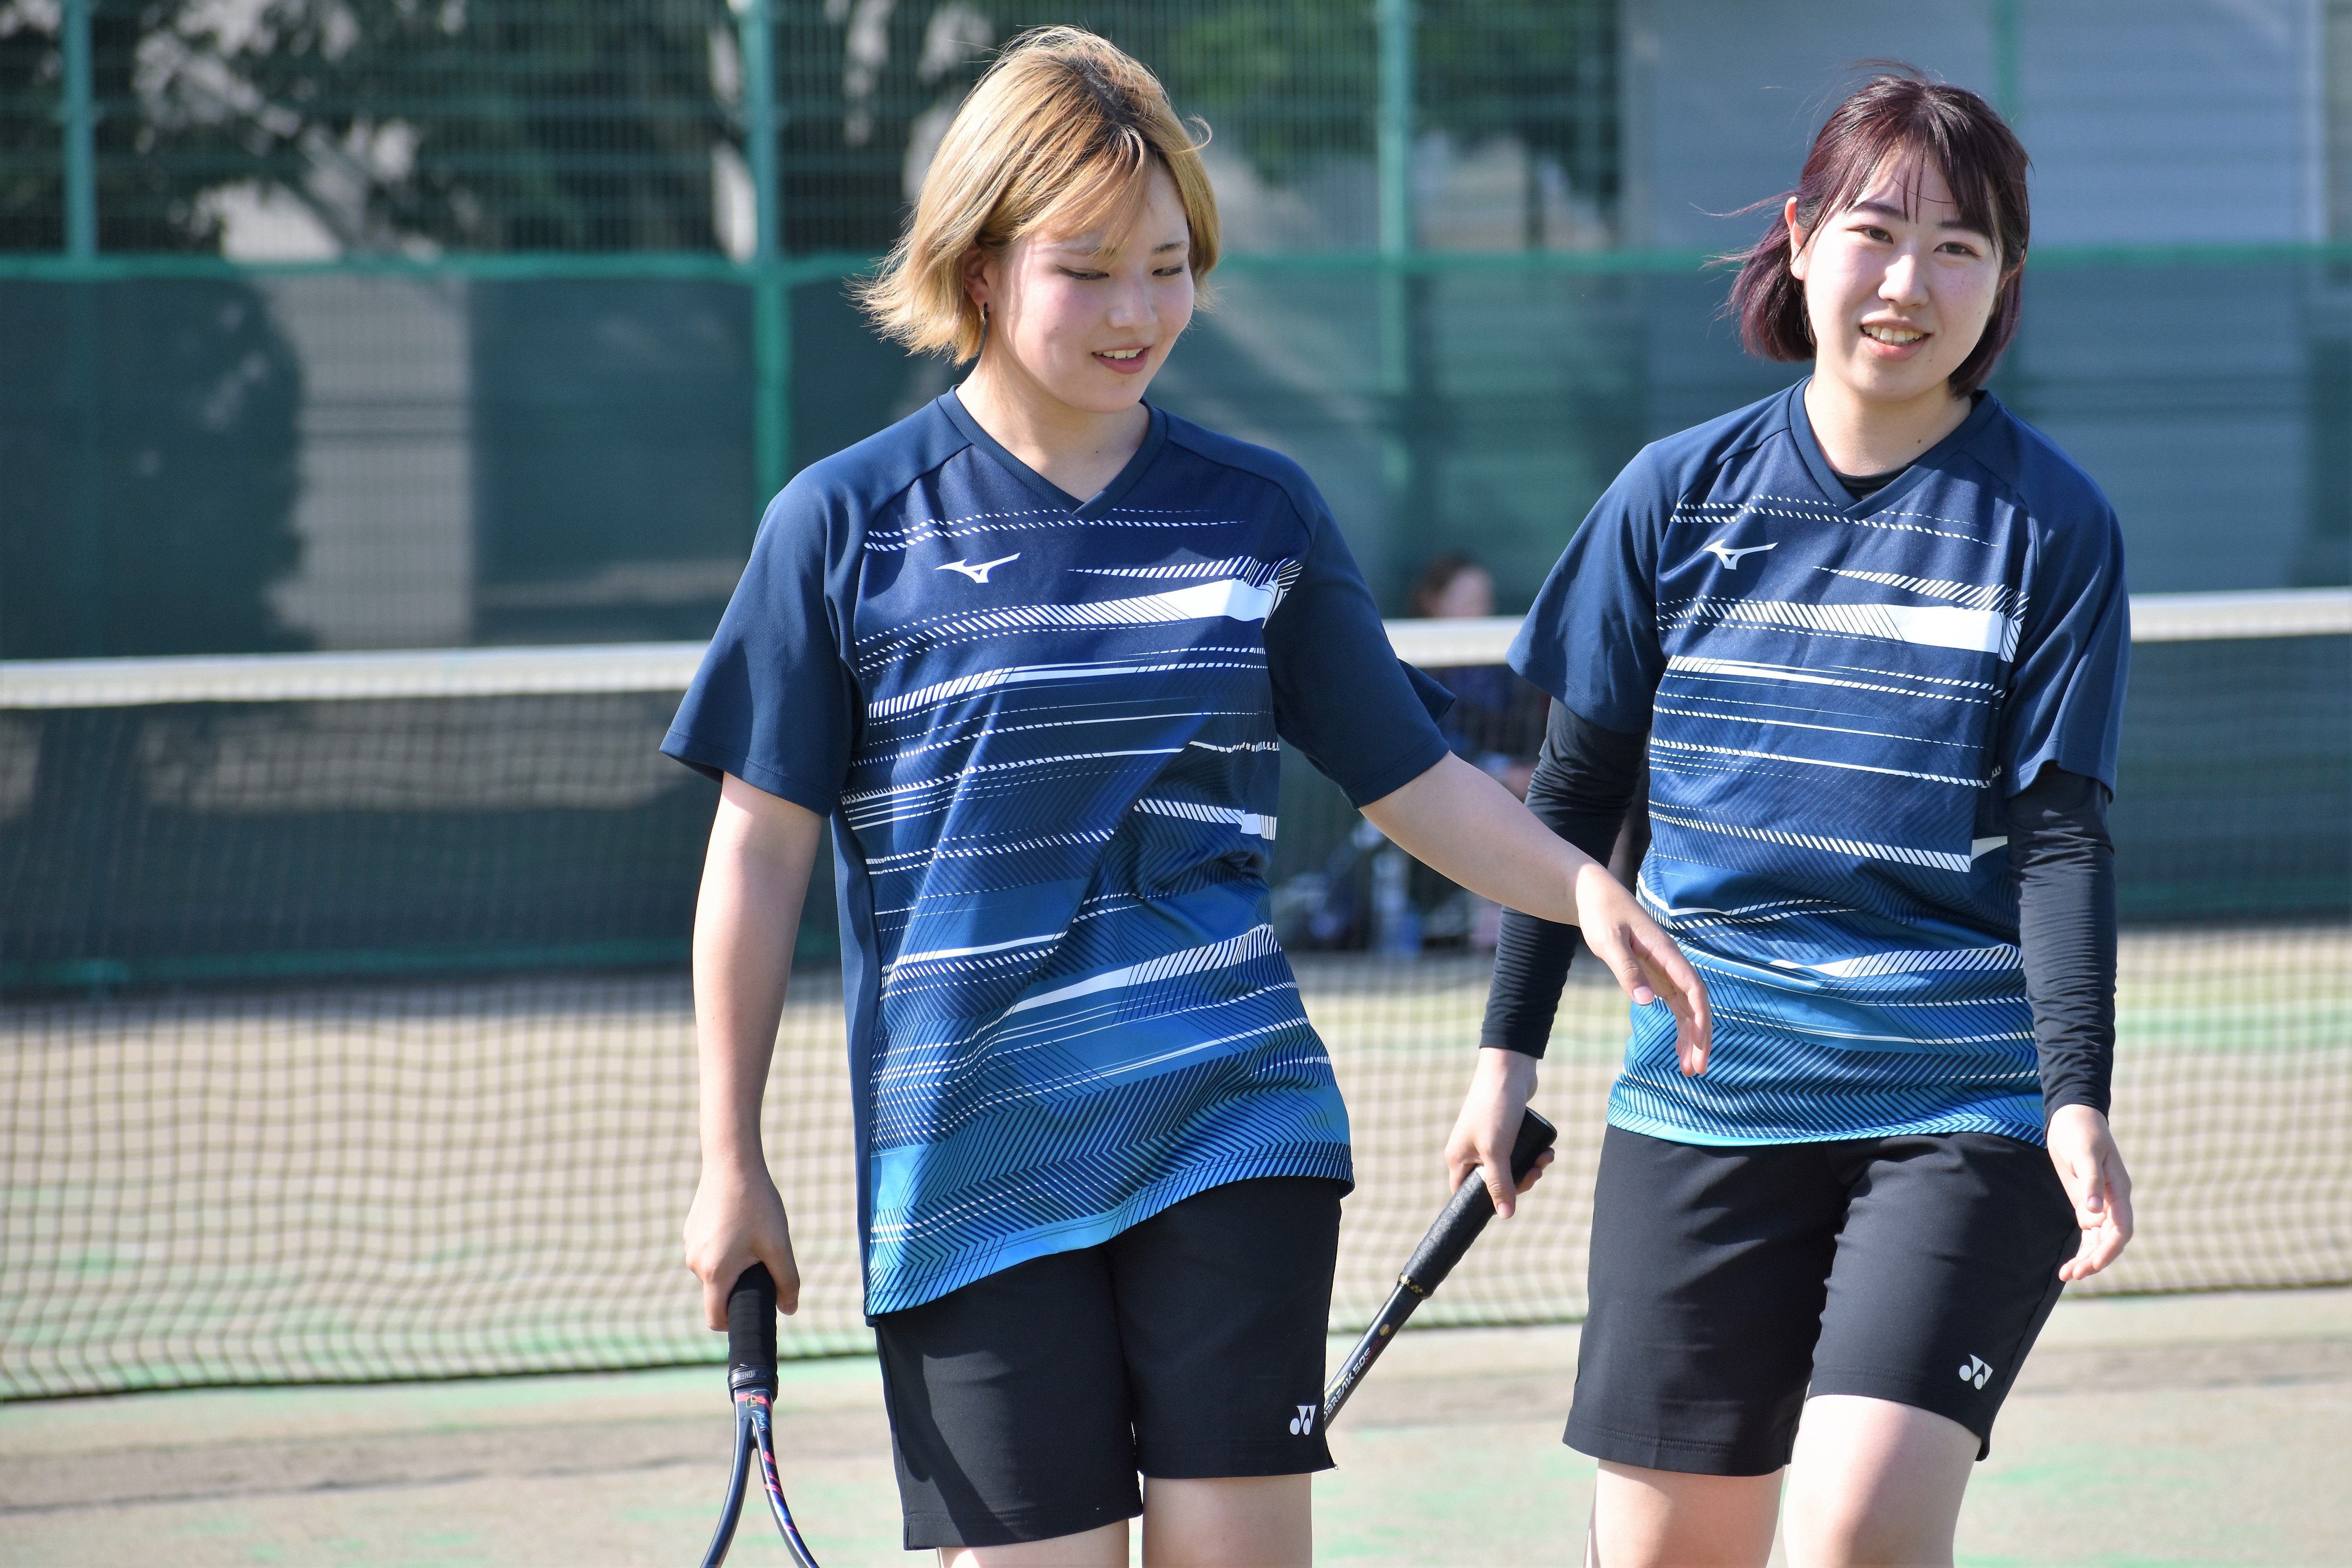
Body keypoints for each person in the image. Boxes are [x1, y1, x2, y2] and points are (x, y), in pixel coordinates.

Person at [663, 29, 1707, 1567]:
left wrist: (1583, 888)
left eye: (1169, 267)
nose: (1139, 312)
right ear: (978, 267)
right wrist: (730, 1160)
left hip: (1234, 1124)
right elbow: (757, 857)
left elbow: (1412, 780)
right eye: (1087, 271)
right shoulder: (843, 527)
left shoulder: (1257, 514)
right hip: (967, 1157)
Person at [1445, 71, 2134, 1568]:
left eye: (1960, 247)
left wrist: (2076, 1096)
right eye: (1877, 232)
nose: (1908, 283)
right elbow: (1572, 802)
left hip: (1958, 1105)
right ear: (1803, 237)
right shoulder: (1671, 496)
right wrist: (1507, 1057)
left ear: (2005, 280)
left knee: (1856, 1534)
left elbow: (2062, 838)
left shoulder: (2054, 525)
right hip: (1707, 1094)